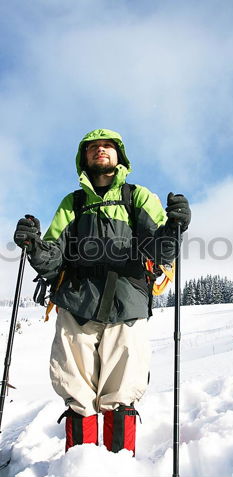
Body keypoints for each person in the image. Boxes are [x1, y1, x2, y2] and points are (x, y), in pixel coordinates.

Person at [14, 128, 191, 455]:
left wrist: (174, 228)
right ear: (84, 157)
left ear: (119, 155)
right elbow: (52, 260)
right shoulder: (73, 203)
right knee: (76, 392)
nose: (100, 150)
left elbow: (160, 252)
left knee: (121, 393)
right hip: (76, 305)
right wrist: (34, 247)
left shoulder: (137, 196)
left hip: (126, 303)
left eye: (107, 145)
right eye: (93, 147)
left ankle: (119, 471)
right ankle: (80, 473)